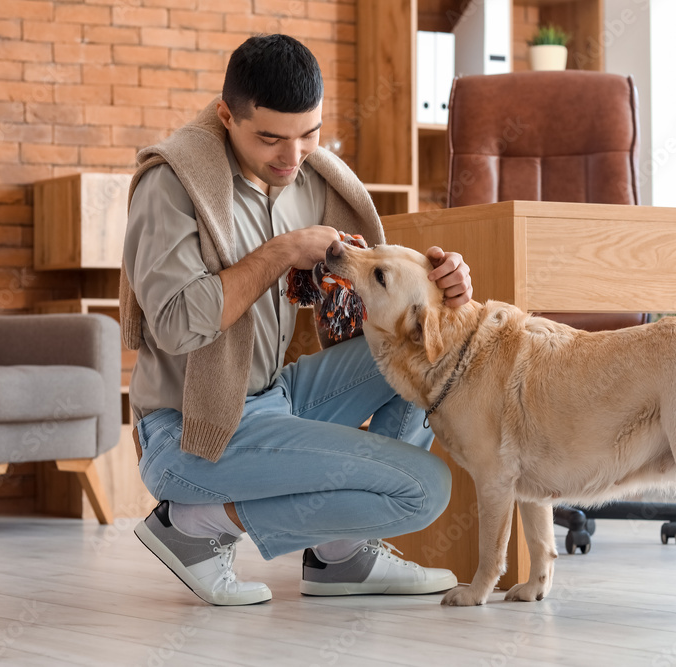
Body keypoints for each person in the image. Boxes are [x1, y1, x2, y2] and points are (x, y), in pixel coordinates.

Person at [121, 34, 474, 606]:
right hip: (191, 431)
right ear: (225, 116)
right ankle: (195, 524)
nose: (292, 157)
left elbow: (375, 291)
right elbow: (178, 325)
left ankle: (341, 555)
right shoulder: (173, 185)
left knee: (427, 352)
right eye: (269, 138)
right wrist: (282, 253)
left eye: (308, 134)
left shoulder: (313, 180)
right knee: (424, 490)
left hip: (274, 398)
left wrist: (441, 288)